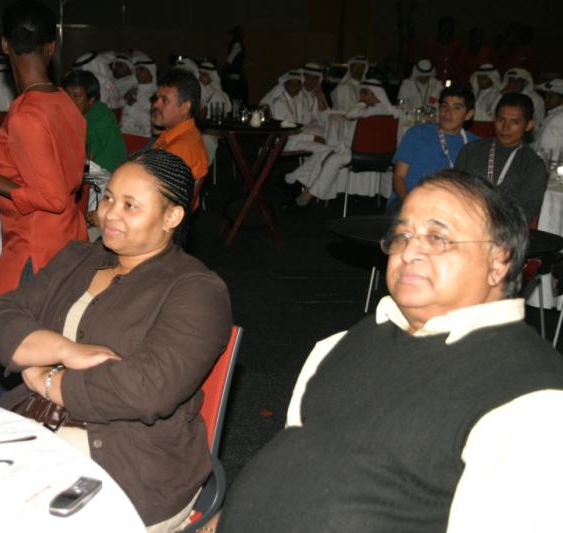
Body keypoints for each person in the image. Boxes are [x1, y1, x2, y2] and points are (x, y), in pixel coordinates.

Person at [214, 170, 563, 532]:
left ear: (499, 262)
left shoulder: (530, 398)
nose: (409, 251)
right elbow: (290, 459)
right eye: (402, 236)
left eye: (437, 238)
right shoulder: (345, 342)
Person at [0, 148, 232, 531]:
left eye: (130, 205)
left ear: (172, 217)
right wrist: (67, 350)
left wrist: (46, 379)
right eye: (110, 198)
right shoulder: (77, 258)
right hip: (32, 428)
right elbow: (0, 317)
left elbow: (145, 388)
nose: (111, 213)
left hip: (129, 460)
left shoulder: (197, 291)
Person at [0, 0, 87, 297]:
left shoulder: (27, 114)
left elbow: (52, 198)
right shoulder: (65, 101)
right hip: (68, 239)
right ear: (52, 47)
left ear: (4, 44)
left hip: (36, 251)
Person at [289, 79, 399, 206]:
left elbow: (350, 119)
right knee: (327, 155)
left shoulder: (366, 113)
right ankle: (306, 190)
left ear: (375, 94)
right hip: (385, 156)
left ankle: (307, 194)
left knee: (331, 157)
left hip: (361, 153)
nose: (361, 95)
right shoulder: (393, 112)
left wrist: (361, 102)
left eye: (364, 93)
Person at [455, 93, 546, 223]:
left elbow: (524, 215)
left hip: (503, 228)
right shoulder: (471, 150)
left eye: (514, 122)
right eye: (501, 120)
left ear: (529, 125)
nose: (505, 128)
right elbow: (454, 190)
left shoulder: (533, 165)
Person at [388, 84, 478, 213]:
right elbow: (399, 177)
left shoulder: (475, 144)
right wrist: (409, 203)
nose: (447, 112)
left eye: (456, 108)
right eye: (444, 106)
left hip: (451, 208)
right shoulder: (417, 133)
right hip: (409, 201)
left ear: (469, 114)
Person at [62, 69, 127, 174]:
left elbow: (87, 154)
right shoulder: (77, 113)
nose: (70, 101)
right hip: (90, 169)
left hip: (108, 175)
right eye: (67, 95)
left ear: (91, 99)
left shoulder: (100, 115)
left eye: (76, 96)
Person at [151, 69, 208, 185]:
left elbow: (153, 190)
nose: (155, 104)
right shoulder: (185, 135)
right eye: (156, 98)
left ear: (185, 107)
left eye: (164, 100)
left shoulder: (179, 149)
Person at [120, 54, 157, 138]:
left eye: (142, 70)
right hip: (124, 134)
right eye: (136, 70)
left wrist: (132, 105)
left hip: (142, 138)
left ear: (151, 71)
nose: (138, 73)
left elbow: (151, 121)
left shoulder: (155, 94)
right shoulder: (132, 90)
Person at [423, 16, 460, 84]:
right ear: (439, 28)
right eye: (444, 27)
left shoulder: (456, 46)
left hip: (450, 82)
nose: (446, 29)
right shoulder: (431, 45)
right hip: (433, 82)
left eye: (449, 27)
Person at [533, 79, 563, 158]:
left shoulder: (558, 119)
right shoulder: (553, 114)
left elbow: (551, 150)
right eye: (546, 96)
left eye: (551, 96)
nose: (546, 99)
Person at [223, 25, 248, 104]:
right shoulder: (237, 44)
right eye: (241, 32)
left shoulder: (235, 43)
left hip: (234, 75)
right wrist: (224, 71)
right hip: (235, 77)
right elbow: (230, 59)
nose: (243, 34)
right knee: (237, 98)